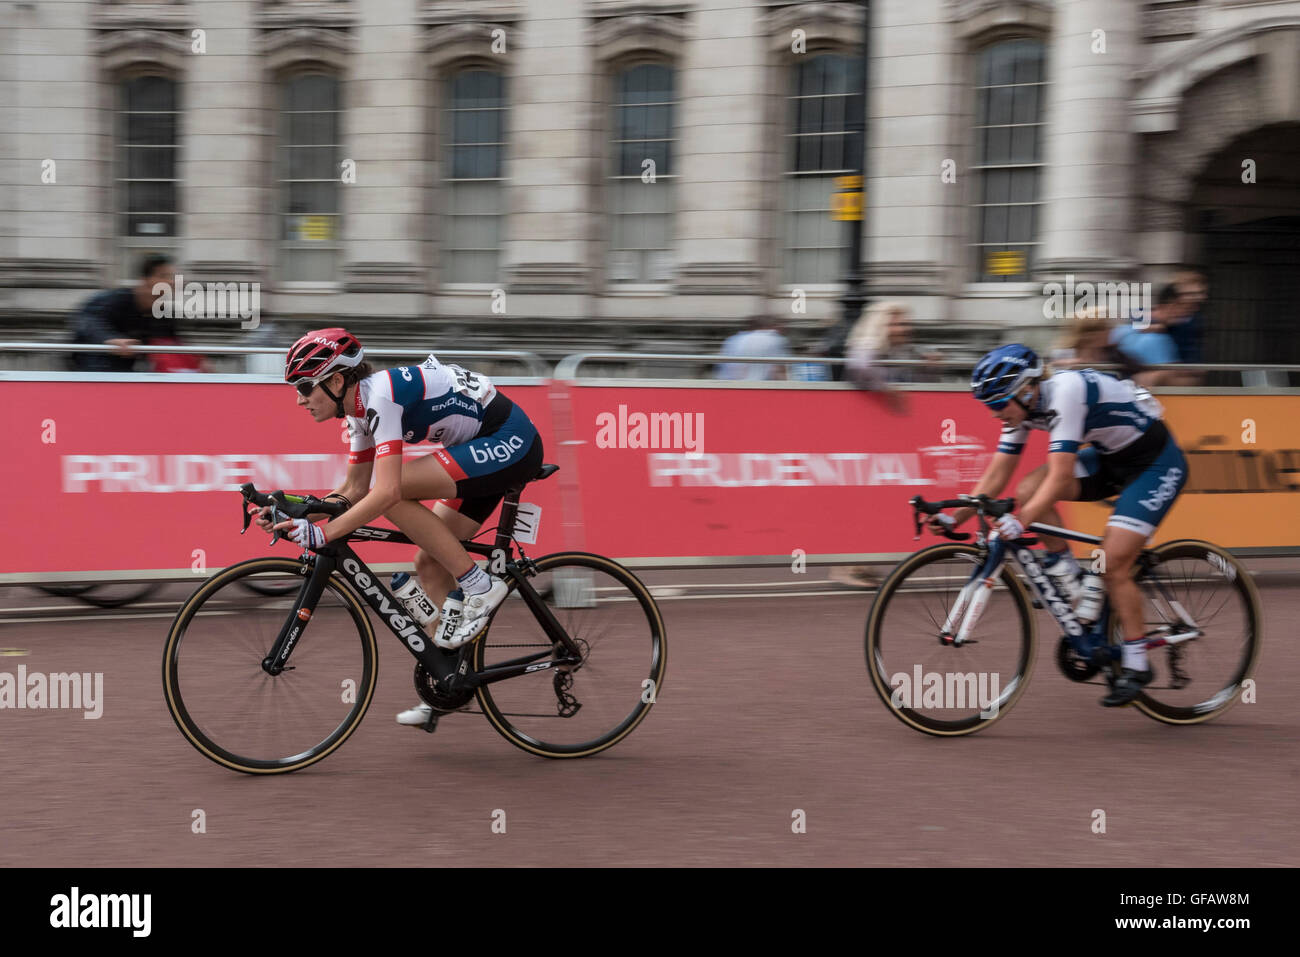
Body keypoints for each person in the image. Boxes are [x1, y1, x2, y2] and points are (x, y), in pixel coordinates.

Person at [255, 328, 544, 728]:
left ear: (337, 381)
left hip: (510, 440)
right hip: (479, 450)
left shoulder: (380, 398)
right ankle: (449, 684)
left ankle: (481, 586)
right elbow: (352, 490)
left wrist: (326, 534)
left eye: (305, 386)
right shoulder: (357, 412)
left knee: (397, 490)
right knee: (428, 563)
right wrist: (298, 512)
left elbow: (387, 491)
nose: (300, 399)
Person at [931, 344, 1188, 706]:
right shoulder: (1022, 409)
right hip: (1109, 460)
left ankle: (1136, 663)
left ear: (1025, 389)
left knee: (1113, 563)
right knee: (1027, 488)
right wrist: (952, 516)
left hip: (1155, 466)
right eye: (987, 406)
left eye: (997, 405)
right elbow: (998, 473)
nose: (994, 414)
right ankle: (1071, 577)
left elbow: (1060, 476)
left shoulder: (1065, 392)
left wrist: (1020, 522)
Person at [68, 254, 176, 371]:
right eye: (164, 276)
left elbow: (172, 343)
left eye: (172, 277)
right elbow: (88, 321)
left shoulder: (164, 312)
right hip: (93, 368)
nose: (171, 282)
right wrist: (111, 339)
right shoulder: (115, 299)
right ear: (145, 280)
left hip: (129, 372)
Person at [714, 316, 791, 381]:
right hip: (763, 387)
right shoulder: (774, 339)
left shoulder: (733, 340)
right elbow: (779, 370)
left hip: (733, 387)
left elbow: (723, 368)